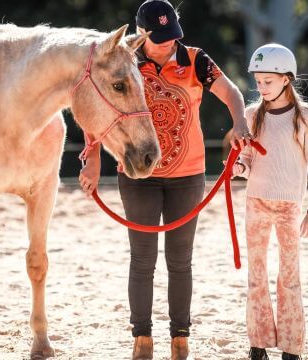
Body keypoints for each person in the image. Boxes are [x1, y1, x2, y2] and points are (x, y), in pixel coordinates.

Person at [78, 1, 251, 359]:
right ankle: (142, 337)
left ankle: (180, 337)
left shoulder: (195, 59)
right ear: (140, 35)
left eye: (172, 37)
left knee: (180, 260)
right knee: (142, 259)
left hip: (188, 175)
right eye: (160, 39)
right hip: (137, 175)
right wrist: (92, 158)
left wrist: (240, 122)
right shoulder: (123, 62)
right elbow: (94, 110)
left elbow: (231, 93)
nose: (168, 44)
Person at [231, 43, 308, 360]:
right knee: (255, 274)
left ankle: (291, 346)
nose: (261, 87)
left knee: (289, 276)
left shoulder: (305, 118)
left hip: (289, 206)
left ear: (287, 78)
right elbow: (248, 157)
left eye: (267, 81)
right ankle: (257, 343)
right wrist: (240, 167)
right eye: (258, 81)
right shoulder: (252, 114)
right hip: (256, 202)